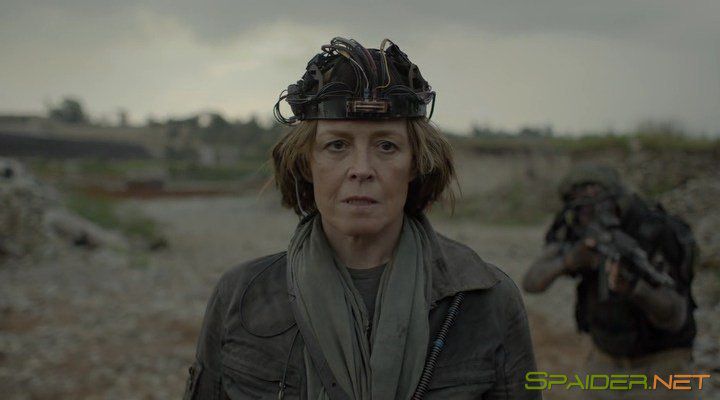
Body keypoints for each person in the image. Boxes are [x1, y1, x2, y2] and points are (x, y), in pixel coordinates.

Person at [183, 37, 539, 400]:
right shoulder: (241, 298)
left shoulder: (483, 299)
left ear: (415, 164)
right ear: (306, 163)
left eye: (387, 146)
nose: (362, 169)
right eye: (337, 145)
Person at [522, 163, 697, 399]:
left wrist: (635, 288)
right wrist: (570, 261)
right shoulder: (575, 225)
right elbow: (532, 282)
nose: (590, 209)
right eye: (581, 202)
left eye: (596, 196)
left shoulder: (655, 231)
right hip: (605, 359)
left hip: (663, 363)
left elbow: (675, 317)